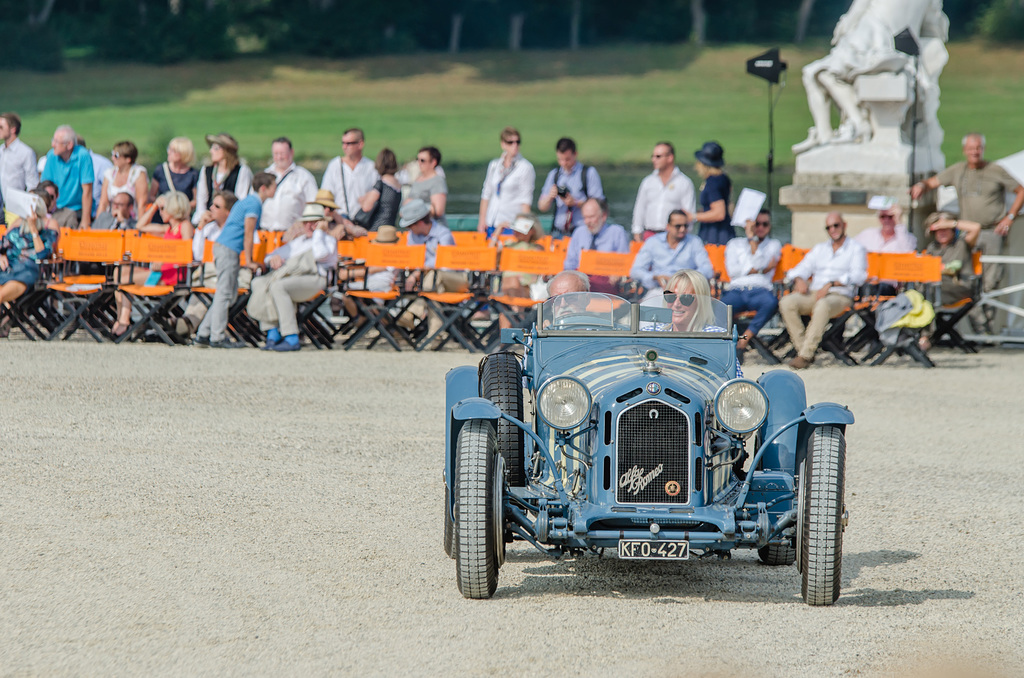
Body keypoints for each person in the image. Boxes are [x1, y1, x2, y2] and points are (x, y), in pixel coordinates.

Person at [911, 133, 1024, 329]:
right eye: (971, 148)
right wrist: (921, 186)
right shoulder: (958, 170)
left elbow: (1021, 190)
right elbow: (933, 182)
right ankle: (967, 326)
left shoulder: (995, 170)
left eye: (978, 148)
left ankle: (986, 328)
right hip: (967, 232)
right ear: (965, 150)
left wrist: (1010, 217)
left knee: (990, 281)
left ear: (983, 149)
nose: (975, 152)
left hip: (991, 232)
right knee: (963, 278)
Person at [194, 172, 276, 349]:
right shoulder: (254, 203)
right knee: (224, 294)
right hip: (228, 249)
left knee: (227, 295)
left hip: (225, 248)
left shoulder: (248, 201)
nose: (276, 189)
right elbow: (248, 233)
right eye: (273, 186)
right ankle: (217, 337)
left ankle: (203, 333)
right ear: (264, 188)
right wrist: (249, 260)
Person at [779, 212, 868, 368]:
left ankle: (806, 355)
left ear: (844, 225)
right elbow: (801, 268)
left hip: (840, 296)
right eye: (829, 227)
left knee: (823, 305)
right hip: (816, 293)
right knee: (787, 302)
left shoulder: (856, 248)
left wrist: (833, 283)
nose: (832, 229)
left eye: (836, 225)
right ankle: (804, 350)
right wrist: (799, 279)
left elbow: (859, 276)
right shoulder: (820, 249)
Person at [251, 203, 339, 352]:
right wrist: (273, 259)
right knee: (258, 283)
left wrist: (318, 232)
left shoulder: (327, 241)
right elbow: (270, 256)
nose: (309, 226)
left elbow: (319, 254)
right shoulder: (299, 242)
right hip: (295, 279)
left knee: (279, 286)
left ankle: (291, 336)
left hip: (317, 280)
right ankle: (271, 332)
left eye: (314, 222)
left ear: (322, 223)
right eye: (306, 222)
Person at [111, 191, 194, 337]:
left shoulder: (185, 226)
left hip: (172, 275)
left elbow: (187, 253)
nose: (160, 212)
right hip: (160, 272)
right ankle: (122, 317)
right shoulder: (167, 229)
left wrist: (164, 260)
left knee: (125, 279)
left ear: (173, 209)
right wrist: (155, 205)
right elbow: (140, 225)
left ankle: (123, 321)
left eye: (163, 209)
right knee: (119, 272)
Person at [918, 211, 982, 351]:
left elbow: (976, 227)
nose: (941, 232)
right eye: (938, 230)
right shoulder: (932, 247)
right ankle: (914, 335)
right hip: (936, 288)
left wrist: (948, 223)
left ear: (953, 230)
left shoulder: (962, 244)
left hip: (959, 287)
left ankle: (925, 336)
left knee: (928, 292)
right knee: (915, 293)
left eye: (945, 229)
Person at [722, 209, 782, 351]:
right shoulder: (734, 243)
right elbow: (733, 271)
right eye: (757, 224)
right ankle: (724, 345)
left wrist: (753, 240)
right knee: (718, 308)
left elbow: (758, 264)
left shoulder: (774, 244)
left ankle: (745, 338)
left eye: (765, 224)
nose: (760, 228)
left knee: (771, 302)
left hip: (760, 290)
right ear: (749, 225)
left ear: (770, 226)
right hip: (736, 290)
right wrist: (761, 270)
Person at [0, 196, 57, 335]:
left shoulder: (48, 230)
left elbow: (42, 255)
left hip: (28, 271)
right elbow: (3, 245)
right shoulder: (17, 227)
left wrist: (33, 228)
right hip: (8, 267)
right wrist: (1, 255)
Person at [629, 209, 713, 303]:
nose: (682, 229)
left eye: (685, 226)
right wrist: (655, 277)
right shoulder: (653, 242)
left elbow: (707, 270)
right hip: (659, 290)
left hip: (687, 292)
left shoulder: (694, 242)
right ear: (668, 226)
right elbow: (635, 271)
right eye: (678, 226)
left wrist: (686, 279)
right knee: (646, 312)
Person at [537, 137, 604, 238]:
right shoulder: (554, 175)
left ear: (575, 154)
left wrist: (576, 203)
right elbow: (541, 207)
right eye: (560, 159)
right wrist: (550, 197)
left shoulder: (588, 173)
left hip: (582, 230)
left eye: (567, 159)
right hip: (558, 232)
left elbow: (600, 205)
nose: (563, 163)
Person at [478, 126, 535, 240]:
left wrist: (523, 229)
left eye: (517, 142)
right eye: (510, 142)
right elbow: (486, 193)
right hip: (491, 223)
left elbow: (526, 201)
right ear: (503, 144)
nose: (515, 145)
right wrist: (482, 220)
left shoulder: (525, 167)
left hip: (511, 224)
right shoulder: (494, 165)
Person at [631, 141, 696, 241]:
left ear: (670, 158)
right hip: (649, 235)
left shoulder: (684, 183)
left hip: (673, 236)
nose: (653, 160)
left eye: (658, 156)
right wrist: (637, 233)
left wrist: (683, 237)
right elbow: (639, 209)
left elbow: (688, 214)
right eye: (652, 156)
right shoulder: (648, 181)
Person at [563, 197, 629, 294]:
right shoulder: (579, 232)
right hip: (581, 285)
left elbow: (625, 263)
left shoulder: (617, 232)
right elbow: (569, 263)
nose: (587, 222)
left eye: (591, 217)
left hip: (607, 287)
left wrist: (618, 273)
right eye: (585, 217)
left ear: (604, 216)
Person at [320, 128, 380, 224]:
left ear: (360, 144)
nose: (344, 147)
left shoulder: (371, 167)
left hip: (364, 221)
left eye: (349, 143)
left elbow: (377, 195)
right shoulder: (335, 165)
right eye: (343, 143)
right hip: (340, 221)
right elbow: (326, 194)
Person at [40, 125, 94, 229]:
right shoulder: (52, 156)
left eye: (56, 142)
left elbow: (87, 191)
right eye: (53, 140)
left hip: (76, 208)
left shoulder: (82, 156)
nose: (52, 145)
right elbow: (45, 186)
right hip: (55, 208)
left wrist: (85, 220)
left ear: (69, 145)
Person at [260, 137, 318, 232]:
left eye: (282, 153)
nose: (279, 157)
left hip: (292, 234)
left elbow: (314, 206)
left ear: (291, 152)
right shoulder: (264, 175)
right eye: (276, 154)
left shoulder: (304, 176)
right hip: (265, 233)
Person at [193, 132, 253, 224]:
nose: (211, 151)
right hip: (208, 221)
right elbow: (201, 199)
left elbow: (240, 199)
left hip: (230, 221)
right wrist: (203, 217)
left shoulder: (241, 171)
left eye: (216, 148)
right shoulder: (207, 170)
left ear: (226, 151)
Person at [691, 141, 733, 246]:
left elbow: (719, 213)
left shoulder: (712, 183)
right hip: (726, 232)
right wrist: (703, 211)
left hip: (714, 235)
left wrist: (692, 216)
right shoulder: (723, 178)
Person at [148, 136, 200, 219]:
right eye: (169, 149)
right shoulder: (160, 170)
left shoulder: (193, 174)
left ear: (183, 153)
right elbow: (151, 196)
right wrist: (162, 203)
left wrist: (180, 207)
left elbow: (196, 200)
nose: (168, 152)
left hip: (181, 218)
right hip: (162, 216)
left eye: (173, 151)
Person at [353, 148, 401, 232]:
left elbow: (366, 207)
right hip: (391, 229)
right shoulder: (398, 185)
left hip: (377, 229)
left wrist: (363, 200)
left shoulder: (381, 184)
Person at [96, 141, 148, 217]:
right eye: (112, 154)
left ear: (128, 159)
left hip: (131, 220)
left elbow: (141, 204)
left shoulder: (138, 173)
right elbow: (103, 203)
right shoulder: (109, 174)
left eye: (116, 155)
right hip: (111, 219)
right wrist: (97, 225)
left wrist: (140, 227)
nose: (113, 158)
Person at [0, 112, 39, 206]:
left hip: (16, 207)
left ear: (13, 129)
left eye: (1, 127)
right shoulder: (1, 150)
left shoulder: (26, 153)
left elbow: (32, 184)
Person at [404, 146, 448, 226]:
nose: (419, 163)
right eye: (418, 160)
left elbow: (438, 210)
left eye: (422, 160)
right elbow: (407, 202)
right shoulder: (418, 179)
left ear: (433, 162)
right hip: (417, 228)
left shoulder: (437, 181)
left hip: (434, 229)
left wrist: (415, 207)